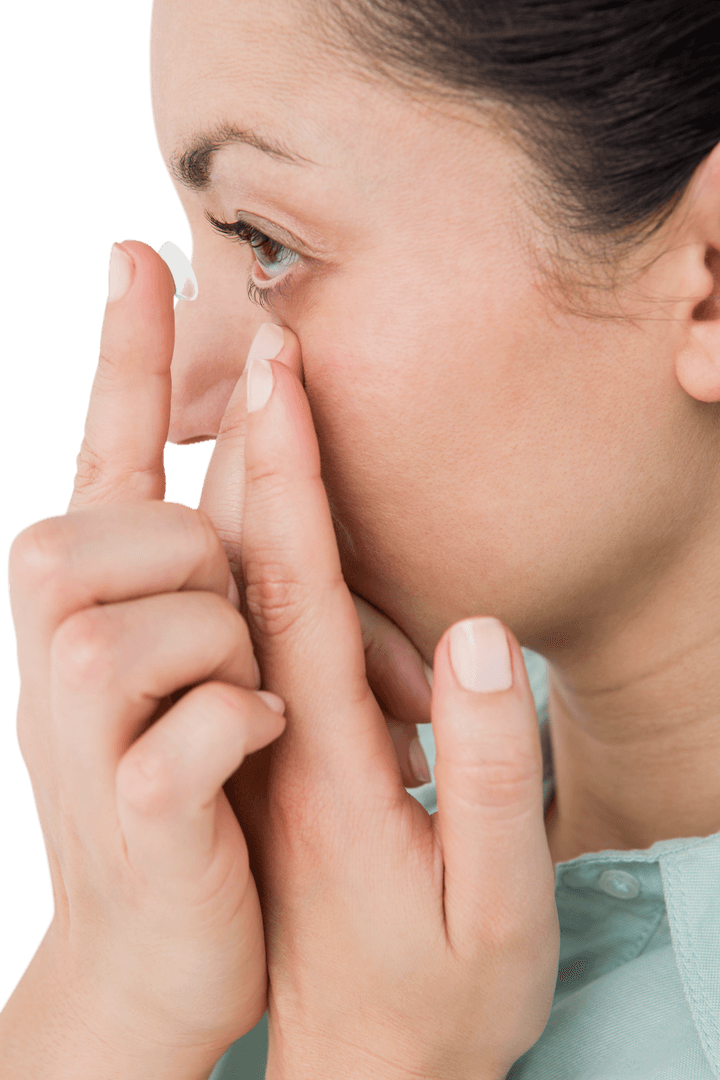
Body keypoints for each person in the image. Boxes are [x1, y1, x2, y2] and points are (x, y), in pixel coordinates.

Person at [2, 0, 719, 1077]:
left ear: (709, 278)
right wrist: (108, 996)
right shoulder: (218, 850)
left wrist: (374, 1054)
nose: (189, 400)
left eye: (266, 241)